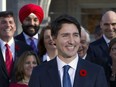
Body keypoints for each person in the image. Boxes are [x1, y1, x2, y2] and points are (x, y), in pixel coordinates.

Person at [29, 14, 108, 87]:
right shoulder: (39, 73)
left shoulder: (95, 72)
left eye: (75, 35)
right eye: (65, 35)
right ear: (53, 39)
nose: (71, 41)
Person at [0, 11, 32, 87]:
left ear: (15, 27)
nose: (8, 25)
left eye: (10, 22)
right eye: (3, 22)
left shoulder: (26, 49)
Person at [87, 10, 116, 82]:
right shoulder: (92, 48)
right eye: (106, 24)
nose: (110, 28)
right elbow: (89, 74)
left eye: (113, 24)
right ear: (101, 25)